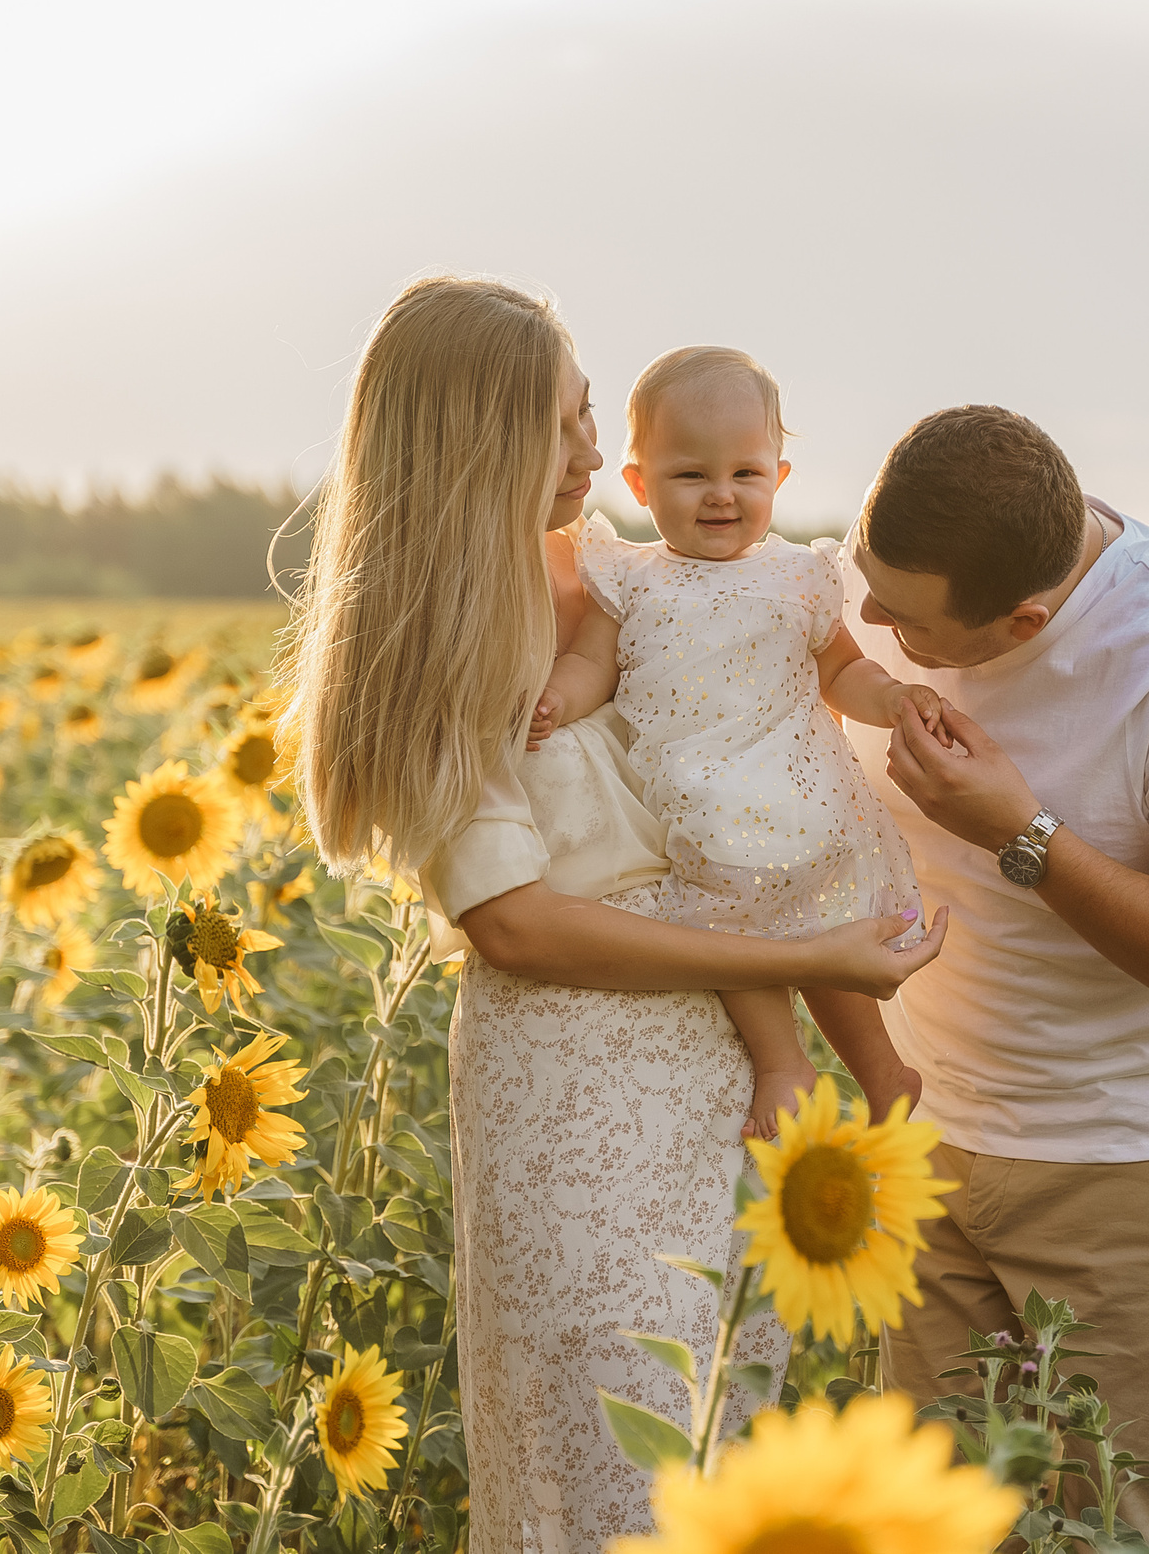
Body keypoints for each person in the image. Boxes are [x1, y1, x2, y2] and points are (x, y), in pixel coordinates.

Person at [283, 277, 946, 1551]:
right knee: (611, 1465)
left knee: (721, 1450)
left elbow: (781, 688)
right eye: (565, 426)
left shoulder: (617, 573)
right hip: (579, 1081)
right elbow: (519, 926)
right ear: (480, 442)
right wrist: (808, 953)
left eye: (594, 419)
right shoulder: (432, 642)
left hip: (722, 1080)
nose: (596, 453)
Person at [836, 404, 1149, 1543]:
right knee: (937, 1527)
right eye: (866, 579)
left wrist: (1022, 834)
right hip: (930, 1143)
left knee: (1135, 1525)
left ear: (1025, 619)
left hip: (1132, 1174)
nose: (871, 624)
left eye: (906, 619)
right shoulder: (884, 594)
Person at [533, 343, 933, 1137]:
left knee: (827, 935)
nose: (721, 496)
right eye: (691, 476)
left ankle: (884, 1070)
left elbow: (841, 669)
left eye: (745, 475)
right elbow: (592, 663)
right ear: (641, 484)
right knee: (726, 929)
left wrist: (893, 698)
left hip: (804, 792)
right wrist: (558, 698)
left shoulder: (796, 576)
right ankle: (783, 1059)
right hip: (705, 811)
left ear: (777, 478)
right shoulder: (633, 577)